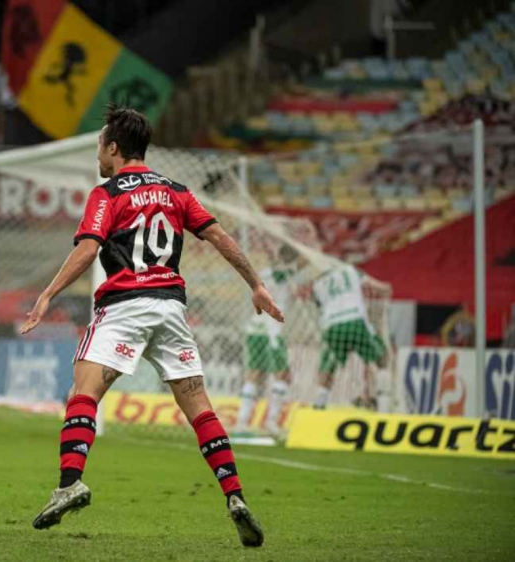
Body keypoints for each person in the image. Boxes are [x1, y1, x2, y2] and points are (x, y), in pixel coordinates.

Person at [20, 106, 284, 547]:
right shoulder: (176, 191)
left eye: (100, 147)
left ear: (114, 148)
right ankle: (234, 497)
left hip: (124, 304)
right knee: (199, 407)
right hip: (170, 308)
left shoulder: (107, 194)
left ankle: (69, 484)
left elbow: (88, 249)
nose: (98, 156)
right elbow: (219, 236)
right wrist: (256, 283)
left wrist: (47, 294)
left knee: (83, 394)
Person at [237, 244, 301, 435]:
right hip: (271, 331)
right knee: (283, 375)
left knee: (255, 374)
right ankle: (271, 422)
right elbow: (281, 276)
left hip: (254, 328)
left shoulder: (262, 273)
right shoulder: (283, 274)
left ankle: (242, 421)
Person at [312, 264, 387, 410]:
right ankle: (383, 404)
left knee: (328, 364)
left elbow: (318, 306)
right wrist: (387, 288)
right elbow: (374, 285)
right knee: (380, 358)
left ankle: (320, 402)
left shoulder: (318, 283)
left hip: (332, 325)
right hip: (354, 319)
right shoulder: (350, 270)